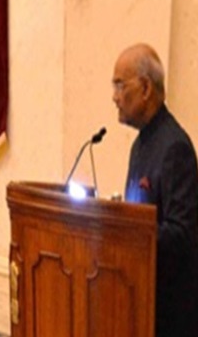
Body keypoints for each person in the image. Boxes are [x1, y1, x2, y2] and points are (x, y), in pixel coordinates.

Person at [113, 43, 198, 336]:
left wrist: (128, 230)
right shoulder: (140, 145)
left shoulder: (174, 148)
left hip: (169, 314)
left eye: (120, 85)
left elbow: (183, 234)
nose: (114, 97)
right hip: (140, 299)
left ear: (146, 88)